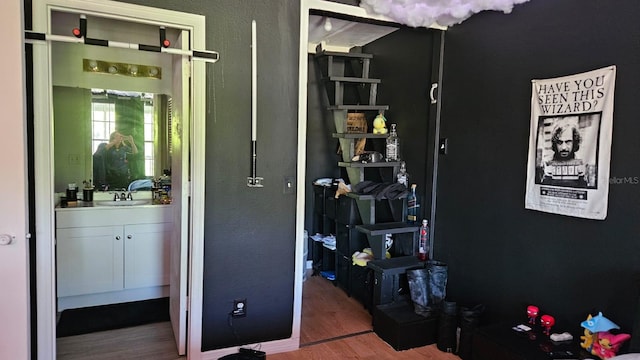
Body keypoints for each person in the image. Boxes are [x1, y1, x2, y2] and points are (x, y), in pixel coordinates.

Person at [541, 122, 587, 187]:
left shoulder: (581, 163)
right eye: (559, 142)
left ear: (575, 142)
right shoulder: (548, 163)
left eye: (568, 142)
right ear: (555, 143)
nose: (564, 147)